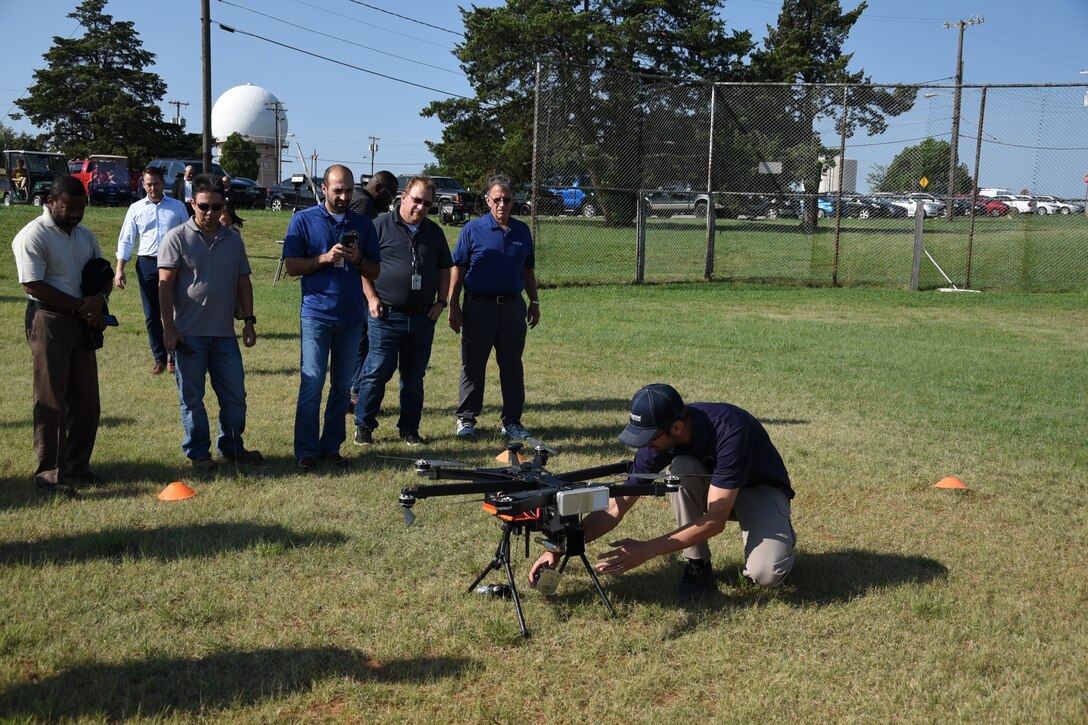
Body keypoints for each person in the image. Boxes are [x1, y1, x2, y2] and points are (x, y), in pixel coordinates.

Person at [529, 384, 797, 600]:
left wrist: (648, 549)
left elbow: (716, 519)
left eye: (649, 438)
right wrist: (559, 548)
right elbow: (615, 506)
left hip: (758, 489)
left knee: (766, 575)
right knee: (681, 469)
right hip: (716, 488)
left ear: (677, 428)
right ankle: (697, 564)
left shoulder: (731, 430)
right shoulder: (659, 439)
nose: (645, 445)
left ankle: (776, 526)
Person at [11, 175, 109, 498]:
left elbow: (102, 272)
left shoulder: (85, 235)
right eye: (69, 207)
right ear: (51, 202)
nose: (77, 214)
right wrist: (83, 305)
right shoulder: (32, 235)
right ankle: (50, 474)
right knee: (52, 398)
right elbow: (32, 285)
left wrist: (99, 300)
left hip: (82, 321)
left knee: (86, 401)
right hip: (48, 320)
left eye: (82, 208)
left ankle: (77, 466)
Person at [158, 174, 261, 471]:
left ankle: (232, 447)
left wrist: (249, 321)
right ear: (192, 203)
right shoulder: (176, 238)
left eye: (216, 207)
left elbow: (244, 283)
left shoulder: (233, 239)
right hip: (188, 335)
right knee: (192, 398)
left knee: (235, 398)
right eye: (203, 206)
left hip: (224, 335)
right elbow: (165, 285)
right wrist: (169, 327)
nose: (210, 213)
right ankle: (199, 453)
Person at [283, 164, 381, 471]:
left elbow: (376, 271)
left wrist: (358, 259)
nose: (343, 196)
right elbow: (292, 266)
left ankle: (331, 448)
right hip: (316, 314)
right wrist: (325, 258)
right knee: (312, 382)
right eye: (337, 190)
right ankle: (306, 451)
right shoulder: (304, 220)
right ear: (323, 188)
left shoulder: (363, 225)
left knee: (341, 386)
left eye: (349, 190)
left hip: (352, 317)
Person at [354, 175, 451, 446]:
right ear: (404, 197)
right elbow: (361, 263)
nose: (421, 207)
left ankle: (409, 429)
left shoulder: (434, 233)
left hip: (422, 318)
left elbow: (445, 268)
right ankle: (364, 425)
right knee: (376, 373)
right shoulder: (379, 226)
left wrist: (441, 302)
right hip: (386, 316)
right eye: (417, 200)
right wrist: (371, 297)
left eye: (427, 203)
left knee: (413, 378)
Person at [448, 174, 540, 440]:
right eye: (497, 199)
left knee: (512, 365)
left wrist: (534, 302)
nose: (502, 204)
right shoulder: (472, 230)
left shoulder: (522, 231)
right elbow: (459, 268)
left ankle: (512, 421)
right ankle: (466, 419)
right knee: (473, 364)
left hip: (512, 308)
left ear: (514, 201)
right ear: (488, 201)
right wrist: (453, 305)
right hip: (479, 307)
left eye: (507, 199)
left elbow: (527, 269)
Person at [114, 167, 189, 375]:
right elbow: (127, 239)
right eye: (148, 184)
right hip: (146, 264)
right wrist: (120, 269)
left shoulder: (177, 207)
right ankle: (159, 359)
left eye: (155, 183)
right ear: (143, 185)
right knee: (151, 315)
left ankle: (174, 356)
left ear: (162, 183)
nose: (152, 187)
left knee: (174, 312)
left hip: (173, 264)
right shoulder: (136, 209)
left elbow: (188, 237)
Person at [348, 170, 399, 412]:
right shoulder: (364, 205)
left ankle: (353, 389)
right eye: (389, 196)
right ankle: (355, 392)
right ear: (378, 188)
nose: (389, 202)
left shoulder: (358, 199)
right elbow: (356, 250)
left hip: (356, 285)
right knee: (363, 342)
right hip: (357, 287)